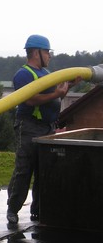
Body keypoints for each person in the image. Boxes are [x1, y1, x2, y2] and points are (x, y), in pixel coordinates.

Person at [6, 34, 81, 224]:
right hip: (30, 126)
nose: (49, 56)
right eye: (47, 51)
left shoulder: (46, 74)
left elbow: (54, 98)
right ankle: (12, 209)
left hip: (48, 128)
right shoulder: (23, 74)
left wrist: (68, 86)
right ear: (36, 52)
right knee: (25, 169)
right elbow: (30, 99)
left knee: (45, 170)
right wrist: (57, 93)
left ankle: (38, 210)